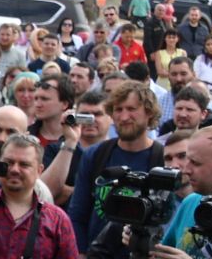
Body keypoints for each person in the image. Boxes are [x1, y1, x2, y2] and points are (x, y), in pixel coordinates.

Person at [67, 79, 164, 248]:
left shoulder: (162, 157)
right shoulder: (95, 155)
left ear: (149, 113)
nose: (124, 117)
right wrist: (80, 257)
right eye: (118, 110)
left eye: (131, 109)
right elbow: (78, 213)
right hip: (97, 258)